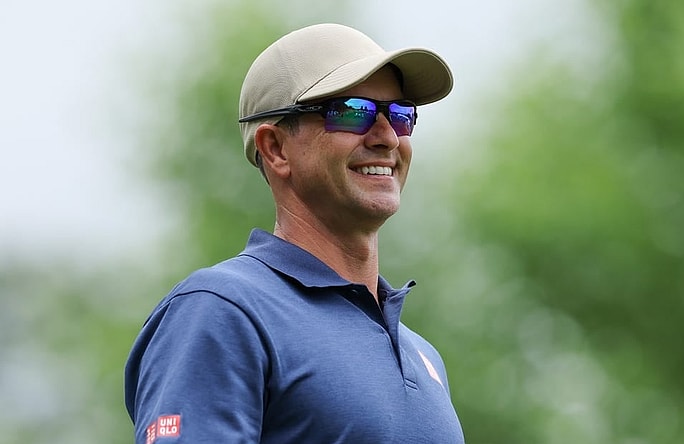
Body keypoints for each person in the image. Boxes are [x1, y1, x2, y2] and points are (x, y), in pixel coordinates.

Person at [124, 23, 462, 443]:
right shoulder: (223, 310)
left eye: (400, 115)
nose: (388, 137)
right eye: (352, 112)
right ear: (275, 149)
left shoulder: (424, 355)